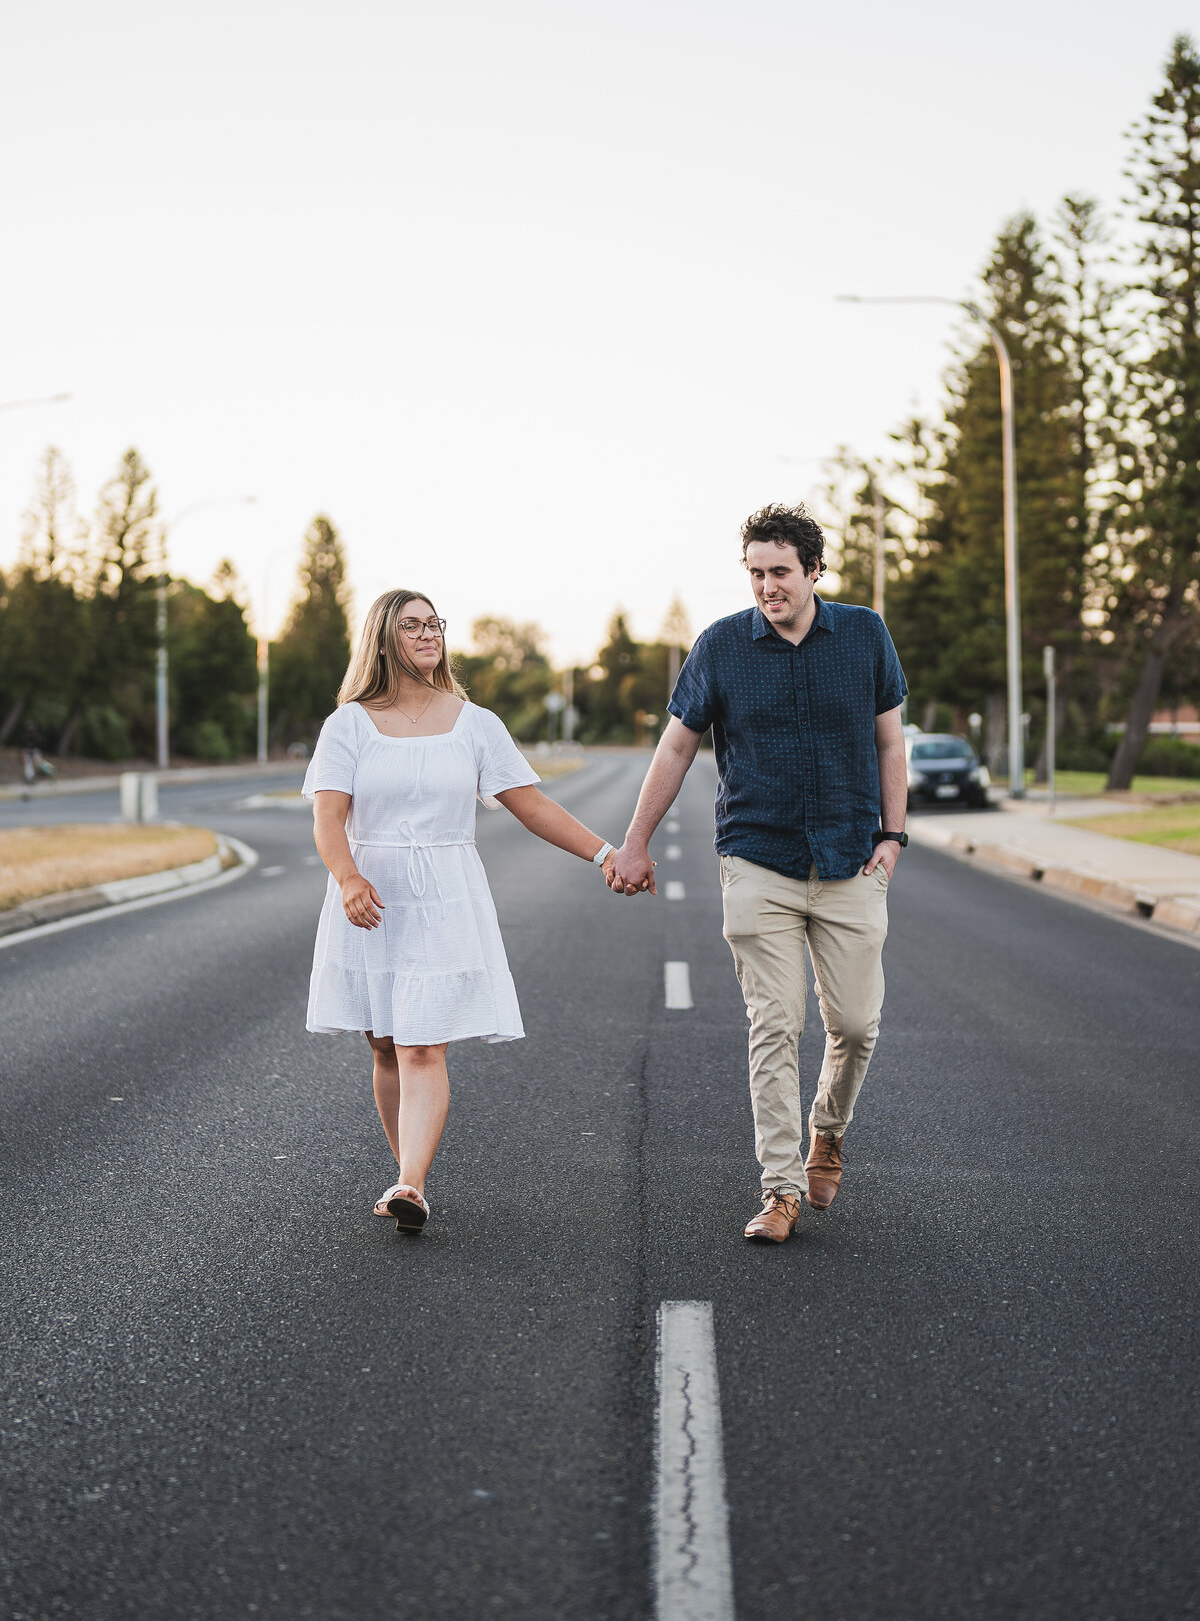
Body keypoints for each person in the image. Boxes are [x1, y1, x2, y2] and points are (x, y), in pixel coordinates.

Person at [608, 503, 908, 1244]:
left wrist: (893, 836)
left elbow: (889, 744)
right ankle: (779, 1190)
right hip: (756, 860)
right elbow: (676, 749)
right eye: (755, 573)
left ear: (814, 570)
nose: (766, 587)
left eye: (779, 572)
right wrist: (635, 843)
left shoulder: (864, 635)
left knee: (856, 1025)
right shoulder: (719, 647)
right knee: (776, 1025)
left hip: (848, 860)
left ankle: (827, 1132)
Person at [304, 588, 621, 1233]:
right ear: (383, 639)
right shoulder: (348, 725)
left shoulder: (475, 723)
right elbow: (328, 815)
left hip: (445, 894)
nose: (428, 634)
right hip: (372, 893)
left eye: (434, 623)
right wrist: (347, 878)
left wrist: (604, 854)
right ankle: (406, 1176)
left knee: (423, 1044)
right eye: (412, 625)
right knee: (387, 1047)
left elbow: (531, 805)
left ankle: (411, 1183)